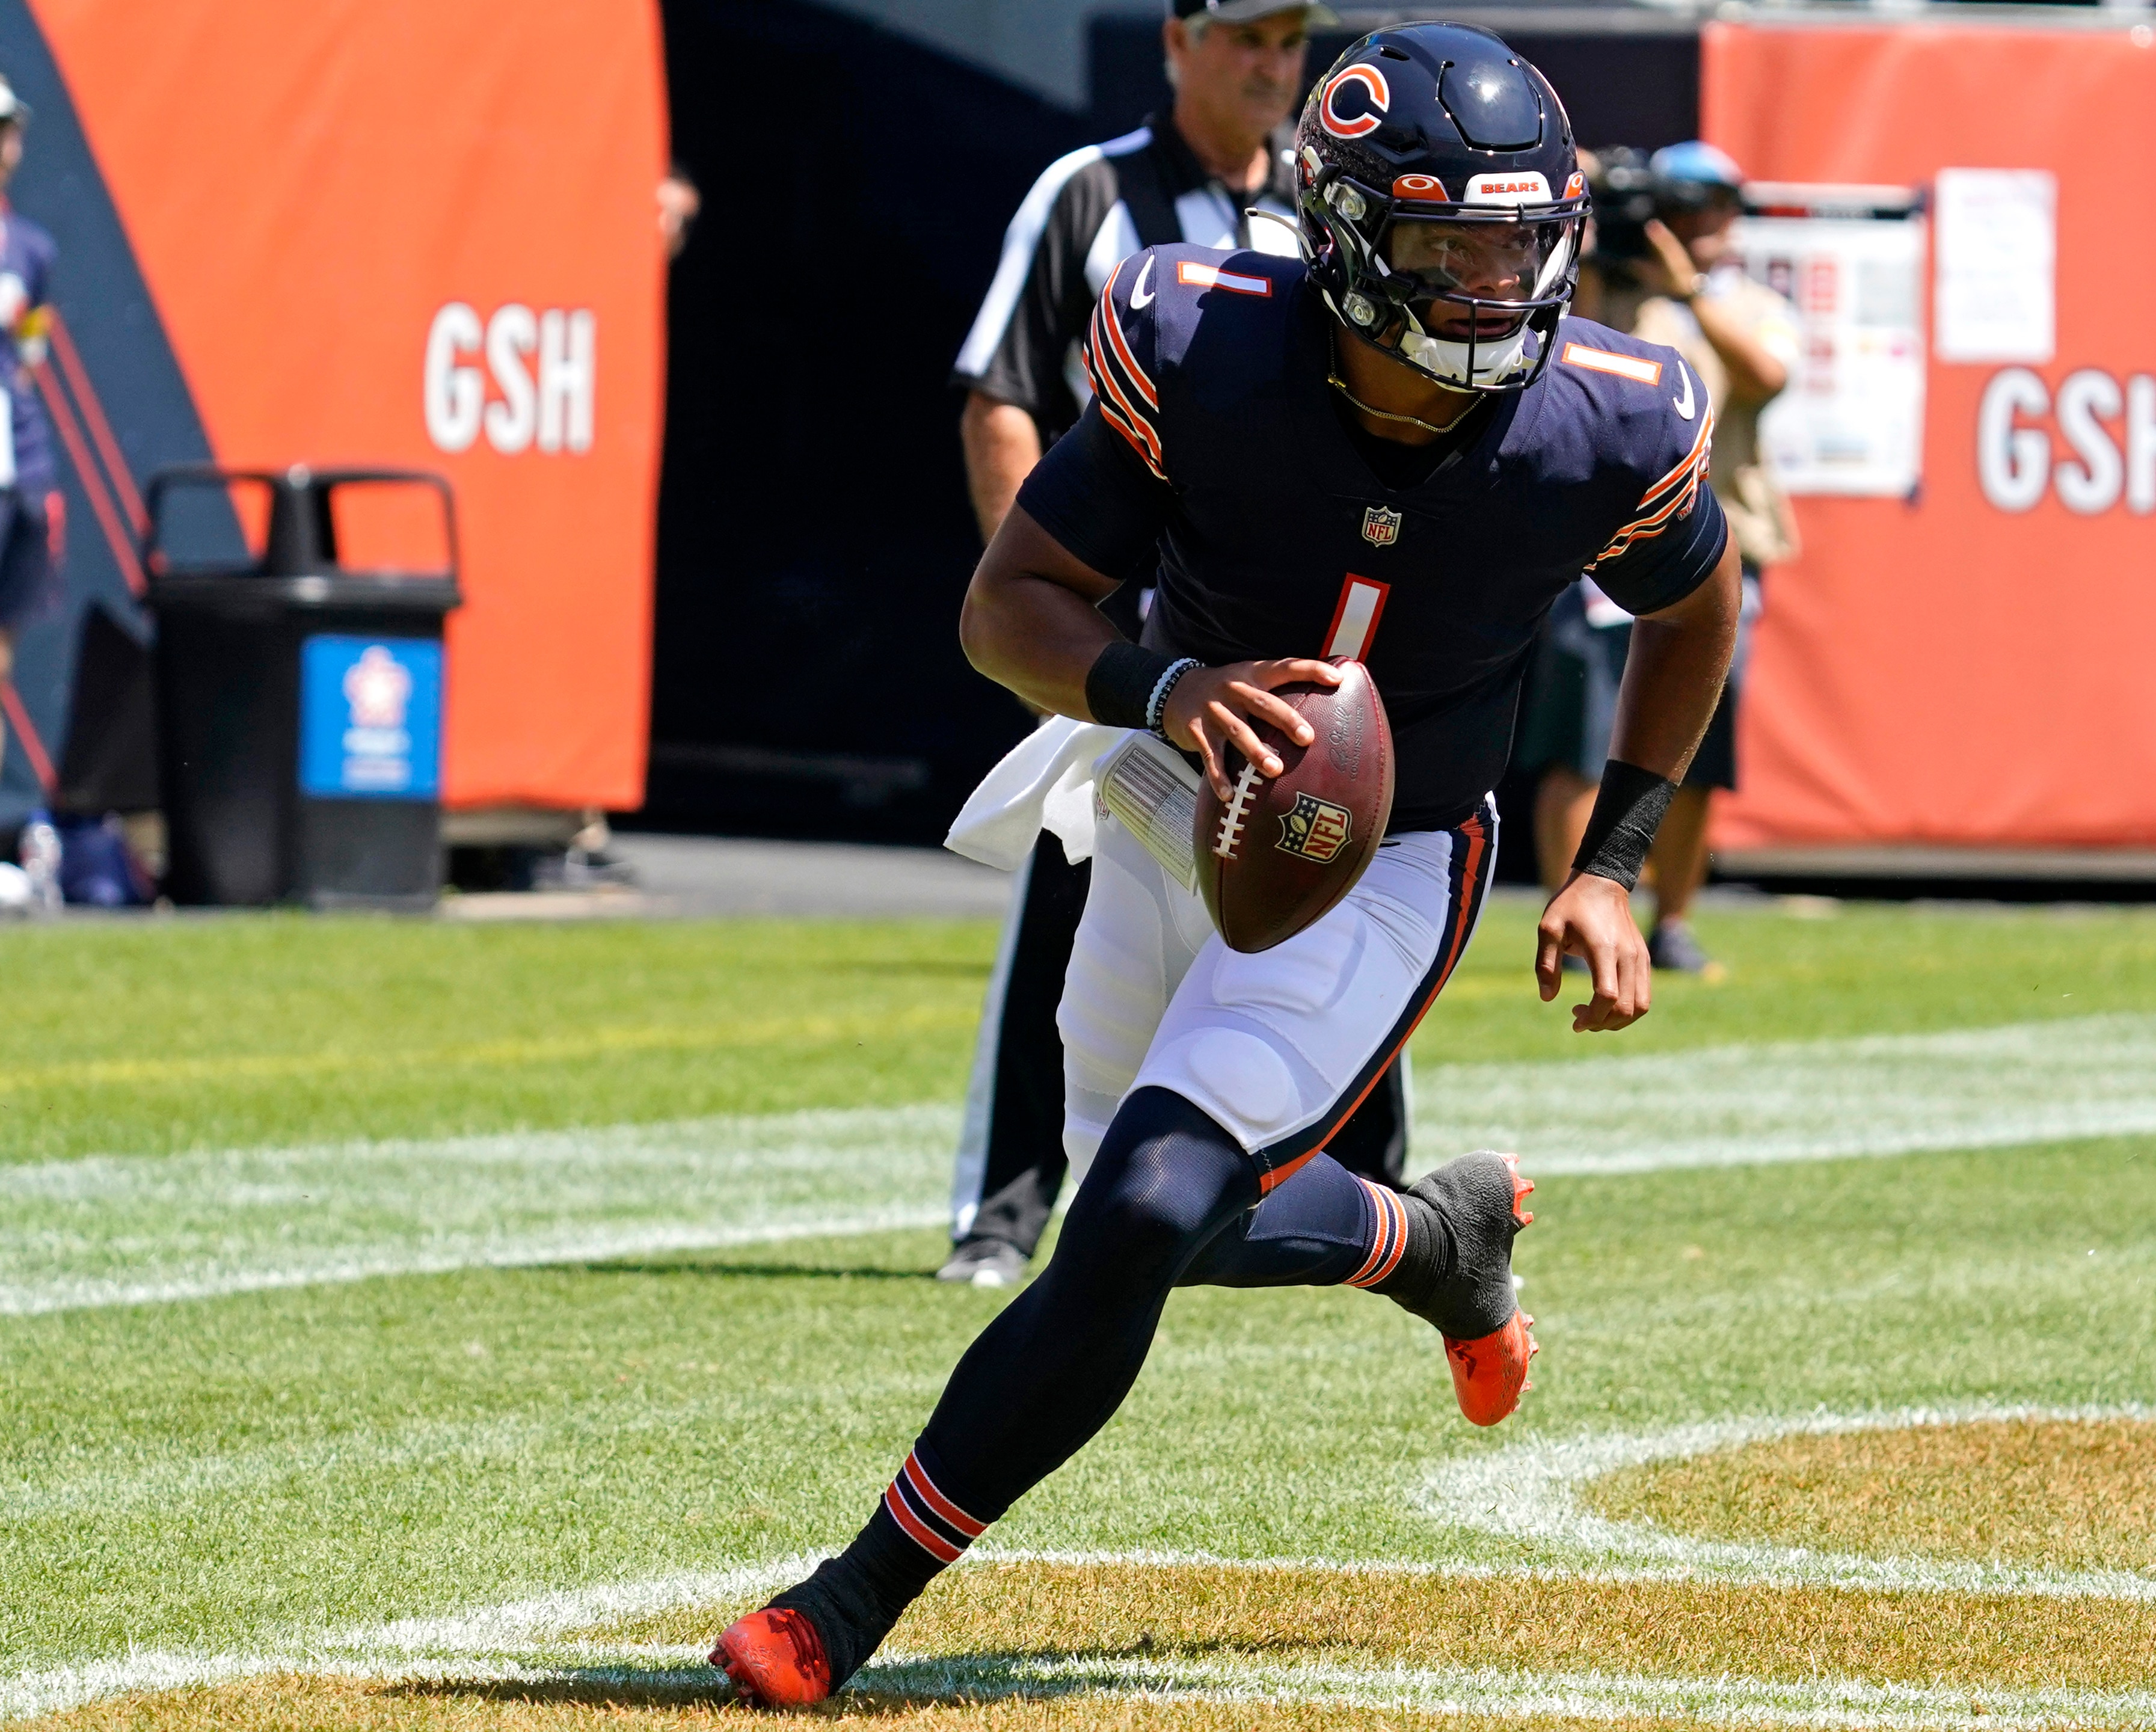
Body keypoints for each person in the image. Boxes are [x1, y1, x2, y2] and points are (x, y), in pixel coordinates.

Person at [709, 23, 1736, 1706]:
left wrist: (1613, 856)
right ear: (1343, 245)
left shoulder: (1605, 425)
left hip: (1399, 854)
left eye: (1519, 242)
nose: (1494, 285)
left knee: (1139, 1215)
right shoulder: (1206, 345)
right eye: (1447, 246)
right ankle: (1435, 1245)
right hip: (1169, 800)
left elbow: (1701, 603)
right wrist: (1167, 688)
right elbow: (1008, 609)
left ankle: (846, 1603)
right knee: (1164, 1221)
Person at [940, 0, 1414, 1290]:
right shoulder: (1091, 195)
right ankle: (1003, 1211)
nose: (1272, 65)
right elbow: (1005, 389)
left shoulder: (1341, 197)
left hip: (1297, 623)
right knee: (1069, 902)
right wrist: (1052, 615)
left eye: (1288, 40)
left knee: (1342, 869)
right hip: (1139, 634)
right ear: (1177, 40)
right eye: (1246, 38)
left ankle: (1371, 1193)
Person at [1528, 141, 1794, 977]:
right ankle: (1571, 910)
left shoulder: (1743, 302)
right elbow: (1555, 356)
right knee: (1582, 735)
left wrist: (1687, 289)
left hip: (1719, 548)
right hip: (1600, 545)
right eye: (1680, 210)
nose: (1697, 224)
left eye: (1713, 207)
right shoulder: (1605, 287)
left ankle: (1670, 917)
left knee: (1695, 745)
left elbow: (1766, 374)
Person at [0, 72, 60, 815]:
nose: (0, 147)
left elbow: (30, 359)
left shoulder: (32, 251)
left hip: (12, 469)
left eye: (6, 131)